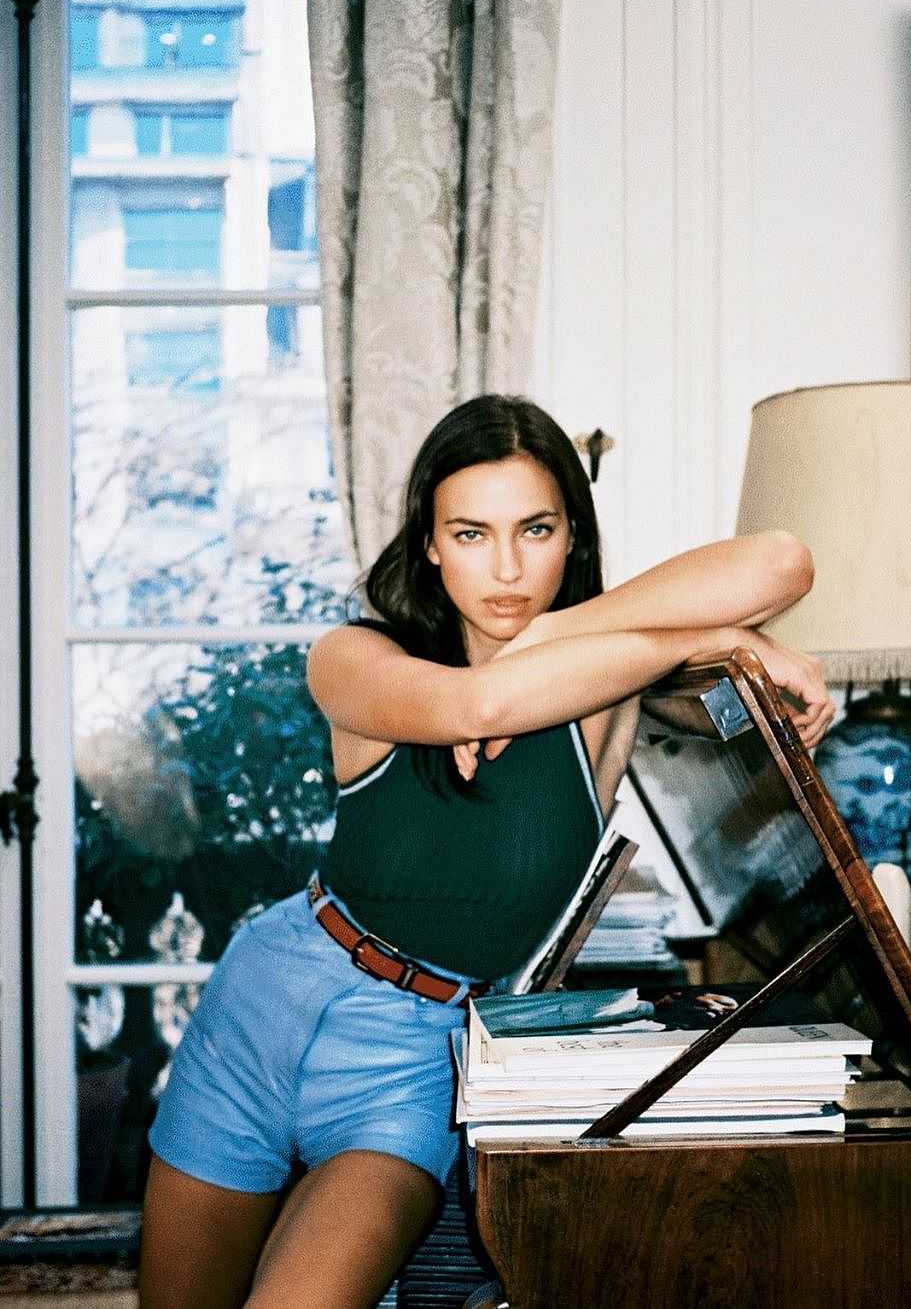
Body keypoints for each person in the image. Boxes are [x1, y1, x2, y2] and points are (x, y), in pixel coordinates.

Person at [138, 394, 834, 1308]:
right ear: (429, 544)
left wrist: (557, 630)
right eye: (470, 533)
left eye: (535, 529)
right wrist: (719, 638)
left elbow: (783, 562)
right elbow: (478, 705)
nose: (507, 569)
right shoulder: (351, 657)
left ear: (571, 536)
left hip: (410, 1059)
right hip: (266, 1003)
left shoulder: (606, 695)